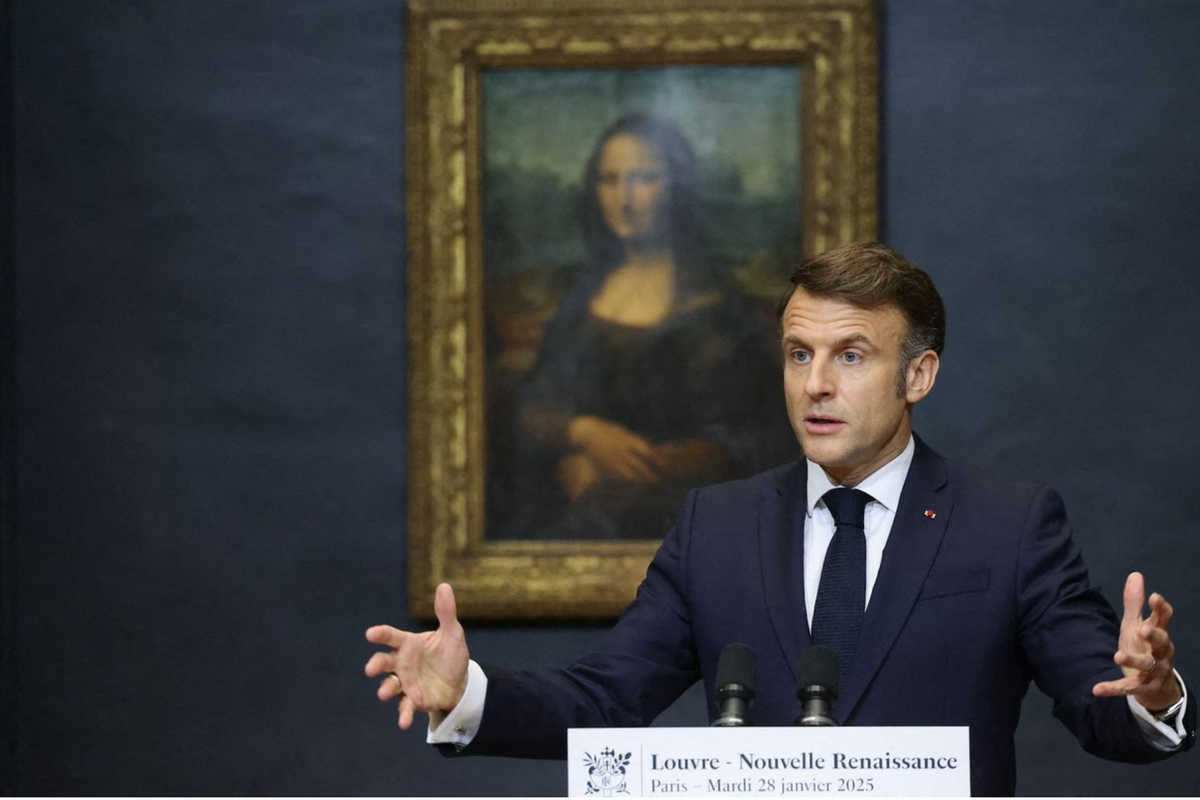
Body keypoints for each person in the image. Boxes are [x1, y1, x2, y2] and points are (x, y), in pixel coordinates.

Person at [367, 242, 1194, 795]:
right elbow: (606, 698)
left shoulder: (1009, 526)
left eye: (852, 356)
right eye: (800, 354)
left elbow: (1104, 711)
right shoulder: (713, 527)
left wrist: (1150, 694)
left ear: (919, 376)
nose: (816, 385)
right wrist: (466, 693)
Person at [489, 113, 791, 540]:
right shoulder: (581, 301)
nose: (623, 199)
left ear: (677, 190)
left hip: (680, 527)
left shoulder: (716, 312)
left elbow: (750, 443)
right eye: (609, 180)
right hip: (567, 526)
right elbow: (534, 408)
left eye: (643, 178)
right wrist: (585, 433)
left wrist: (620, 470)